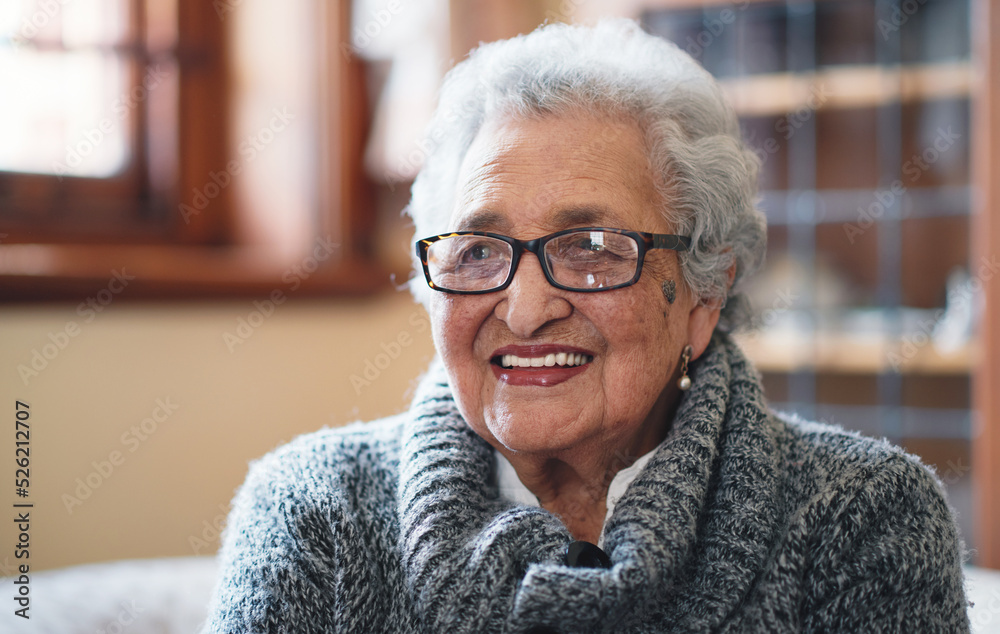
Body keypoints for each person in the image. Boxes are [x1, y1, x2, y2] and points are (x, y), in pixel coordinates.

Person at [202, 19, 969, 633]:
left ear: (703, 294)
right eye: (477, 250)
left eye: (592, 250)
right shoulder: (315, 514)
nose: (527, 309)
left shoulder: (863, 517)